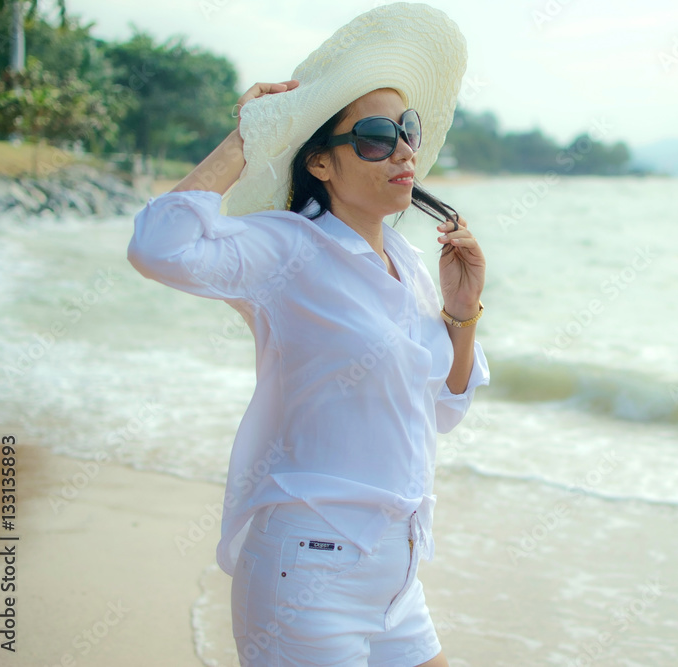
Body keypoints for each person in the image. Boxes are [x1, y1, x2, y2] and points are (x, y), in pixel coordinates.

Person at [126, 4, 489, 665]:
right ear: (320, 163)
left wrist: (462, 314)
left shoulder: (408, 267)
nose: (405, 149)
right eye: (377, 137)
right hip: (308, 573)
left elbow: (440, 411)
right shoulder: (289, 248)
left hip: (397, 576)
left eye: (406, 131)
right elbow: (159, 245)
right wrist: (247, 138)